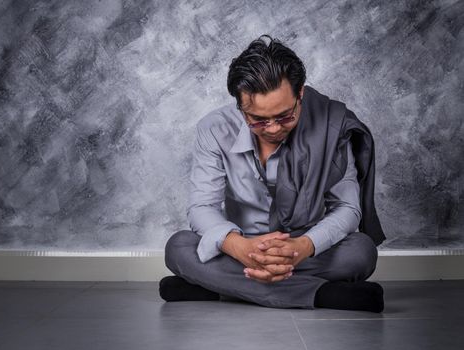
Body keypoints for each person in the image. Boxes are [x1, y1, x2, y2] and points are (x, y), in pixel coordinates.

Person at [159, 35, 386, 312]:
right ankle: (323, 295)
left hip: (304, 247)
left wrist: (302, 247)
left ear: (300, 94)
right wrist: (240, 247)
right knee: (178, 246)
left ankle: (223, 289)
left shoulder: (330, 126)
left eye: (285, 116)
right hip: (240, 247)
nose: (274, 129)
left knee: (361, 251)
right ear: (240, 107)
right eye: (258, 120)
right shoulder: (214, 129)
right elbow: (202, 207)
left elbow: (348, 209)